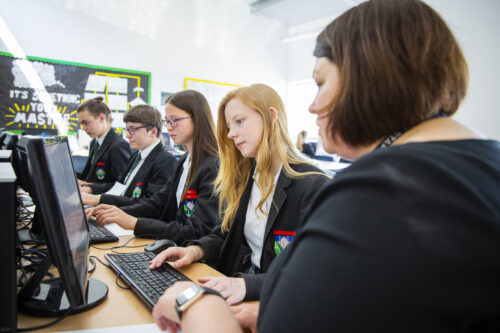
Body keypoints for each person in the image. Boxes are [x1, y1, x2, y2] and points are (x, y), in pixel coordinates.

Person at [149, 0, 500, 332]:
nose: (314, 106)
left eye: (320, 83)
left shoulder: (378, 190)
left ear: (370, 76)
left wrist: (190, 300)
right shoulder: (478, 169)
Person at [150, 84, 328, 304]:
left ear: (271, 117)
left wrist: (246, 285)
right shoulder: (248, 176)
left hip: (277, 299)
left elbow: (313, 273)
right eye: (228, 125)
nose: (230, 134)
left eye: (239, 121)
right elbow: (226, 234)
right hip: (243, 284)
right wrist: (195, 250)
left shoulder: (312, 186)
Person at [86, 90, 220, 244]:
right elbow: (157, 203)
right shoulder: (185, 160)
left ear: (197, 119)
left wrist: (134, 223)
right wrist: (116, 213)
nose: (169, 128)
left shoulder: (212, 165)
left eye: (175, 120)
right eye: (167, 121)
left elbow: (196, 231)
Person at [80, 104, 178, 206]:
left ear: (153, 131)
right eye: (127, 129)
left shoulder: (166, 161)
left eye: (133, 129)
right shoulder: (135, 156)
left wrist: (100, 200)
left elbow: (150, 204)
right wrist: (90, 189)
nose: (127, 135)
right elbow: (120, 187)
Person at [77, 97, 132, 184]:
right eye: (81, 124)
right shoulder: (94, 142)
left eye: (86, 123)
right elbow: (89, 176)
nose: (83, 128)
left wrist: (88, 187)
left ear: (102, 118)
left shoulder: (118, 146)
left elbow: (120, 186)